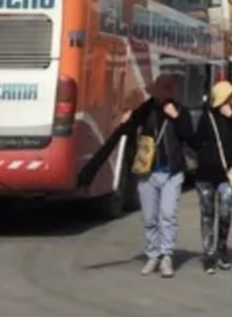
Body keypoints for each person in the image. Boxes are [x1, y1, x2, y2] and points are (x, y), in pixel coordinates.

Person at [76, 74, 193, 278]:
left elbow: (190, 137)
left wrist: (176, 117)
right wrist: (126, 120)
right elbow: (122, 134)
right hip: (147, 172)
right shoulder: (144, 111)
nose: (160, 97)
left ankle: (166, 256)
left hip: (172, 172)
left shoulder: (182, 112)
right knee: (149, 217)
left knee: (167, 216)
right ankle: (152, 255)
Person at [191, 80, 232, 274]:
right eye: (230, 96)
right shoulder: (206, 117)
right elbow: (196, 142)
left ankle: (222, 249)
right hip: (205, 176)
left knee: (225, 213)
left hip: (227, 176)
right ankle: (208, 256)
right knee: (207, 215)